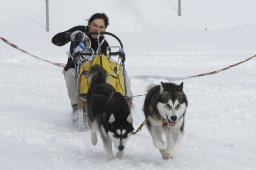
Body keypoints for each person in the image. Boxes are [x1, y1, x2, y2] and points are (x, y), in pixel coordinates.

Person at [52, 13, 132, 128]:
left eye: (101, 27)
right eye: (94, 25)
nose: (97, 29)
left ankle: (123, 104)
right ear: (89, 24)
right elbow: (55, 40)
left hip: (94, 72)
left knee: (121, 74)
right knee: (70, 74)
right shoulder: (80, 31)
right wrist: (70, 36)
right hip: (75, 68)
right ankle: (77, 108)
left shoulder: (104, 44)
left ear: (105, 29)